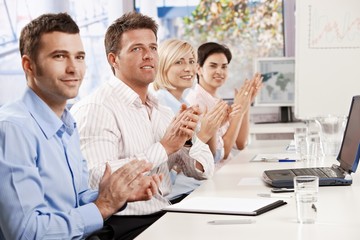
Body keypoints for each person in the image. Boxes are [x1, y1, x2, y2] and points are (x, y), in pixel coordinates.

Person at [0, 13, 163, 240]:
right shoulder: (13, 129)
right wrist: (102, 206)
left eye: (79, 57)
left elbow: (74, 200)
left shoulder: (67, 124)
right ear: (29, 65)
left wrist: (115, 194)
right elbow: (26, 232)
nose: (73, 68)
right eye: (59, 56)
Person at [70, 12, 214, 239]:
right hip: (123, 225)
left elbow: (202, 170)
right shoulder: (97, 108)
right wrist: (164, 148)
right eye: (137, 49)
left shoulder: (162, 110)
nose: (148, 55)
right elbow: (97, 178)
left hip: (162, 214)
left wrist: (186, 139)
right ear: (113, 59)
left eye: (153, 48)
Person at [152, 39, 228, 200]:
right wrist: (204, 134)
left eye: (192, 62)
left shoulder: (184, 104)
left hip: (197, 188)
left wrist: (211, 129)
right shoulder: (160, 106)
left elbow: (209, 159)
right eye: (179, 62)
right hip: (177, 195)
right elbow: (172, 167)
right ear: (163, 66)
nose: (188, 68)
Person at [186, 42, 263, 160]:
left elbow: (240, 143)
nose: (220, 71)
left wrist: (246, 104)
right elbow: (223, 153)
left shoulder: (216, 100)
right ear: (198, 69)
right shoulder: (197, 102)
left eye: (224, 66)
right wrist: (239, 110)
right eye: (213, 66)